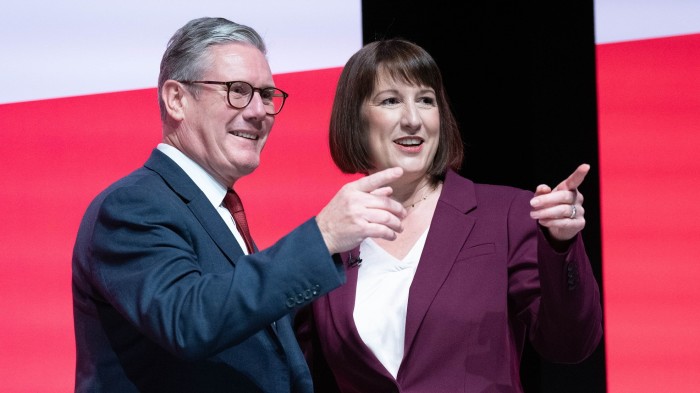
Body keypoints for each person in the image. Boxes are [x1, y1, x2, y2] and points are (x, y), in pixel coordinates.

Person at [71, 17, 407, 393]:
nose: (259, 111)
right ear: (177, 99)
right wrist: (323, 234)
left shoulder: (218, 209)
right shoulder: (134, 206)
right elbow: (189, 320)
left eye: (266, 95)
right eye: (237, 90)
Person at [293, 38, 604, 393]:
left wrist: (561, 245)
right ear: (356, 119)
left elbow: (570, 345)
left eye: (426, 100)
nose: (413, 119)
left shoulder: (506, 214)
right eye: (391, 101)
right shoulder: (327, 242)